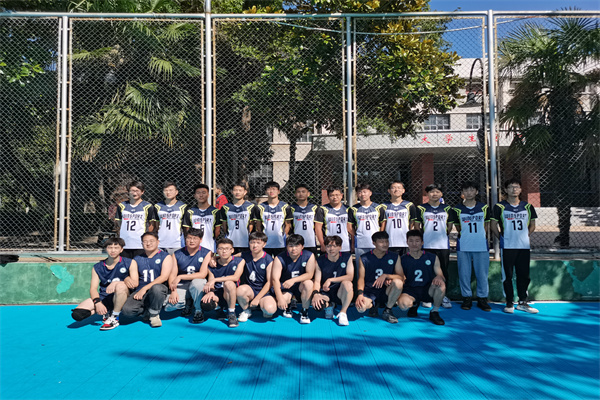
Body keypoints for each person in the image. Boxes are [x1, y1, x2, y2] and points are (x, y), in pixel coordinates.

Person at [491, 178, 539, 314]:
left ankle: (523, 301)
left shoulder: (527, 206)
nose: (514, 189)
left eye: (517, 187)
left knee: (523, 274)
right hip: (507, 246)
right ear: (506, 190)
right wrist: (502, 237)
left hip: (523, 246)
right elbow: (493, 225)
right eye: (511, 187)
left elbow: (532, 225)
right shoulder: (499, 207)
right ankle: (509, 301)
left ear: (521, 189)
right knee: (508, 275)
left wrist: (524, 236)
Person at [70, 238, 131, 331]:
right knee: (77, 314)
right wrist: (98, 303)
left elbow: (135, 283)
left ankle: (114, 317)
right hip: (104, 297)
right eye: (110, 247)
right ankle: (106, 311)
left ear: (121, 249)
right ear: (106, 249)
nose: (113, 250)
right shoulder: (97, 267)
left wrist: (116, 283)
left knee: (121, 286)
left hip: (121, 296)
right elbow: (93, 289)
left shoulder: (129, 262)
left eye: (116, 248)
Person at [451, 181, 492, 311]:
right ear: (462, 193)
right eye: (466, 190)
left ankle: (482, 298)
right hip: (464, 245)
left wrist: (480, 236)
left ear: (476, 192)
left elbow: (486, 226)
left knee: (482, 273)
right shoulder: (457, 209)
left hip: (481, 245)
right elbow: (458, 227)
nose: (469, 193)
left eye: (472, 190)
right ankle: (467, 297)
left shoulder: (484, 207)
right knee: (464, 273)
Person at [121, 232, 173, 327]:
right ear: (142, 244)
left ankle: (154, 314)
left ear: (158, 242)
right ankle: (146, 311)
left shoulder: (165, 256)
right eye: (145, 241)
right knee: (127, 311)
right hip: (140, 290)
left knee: (157, 288)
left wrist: (144, 289)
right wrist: (126, 278)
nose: (148, 243)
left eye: (151, 241)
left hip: (157, 290)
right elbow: (130, 275)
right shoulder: (137, 258)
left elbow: (164, 277)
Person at [415, 183, 453, 309]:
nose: (434, 194)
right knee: (428, 271)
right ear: (427, 194)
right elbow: (417, 226)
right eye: (431, 192)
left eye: (437, 191)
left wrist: (442, 235)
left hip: (443, 245)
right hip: (428, 245)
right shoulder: (421, 208)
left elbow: (449, 227)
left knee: (443, 271)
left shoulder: (447, 208)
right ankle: (428, 296)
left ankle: (443, 295)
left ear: (441, 194)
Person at [397, 230, 447, 325]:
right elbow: (399, 276)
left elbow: (441, 275)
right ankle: (414, 305)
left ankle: (434, 312)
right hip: (410, 290)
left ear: (422, 242)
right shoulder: (402, 259)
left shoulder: (432, 257)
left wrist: (439, 277)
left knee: (441, 284)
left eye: (417, 241)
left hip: (427, 289)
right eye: (411, 241)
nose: (414, 244)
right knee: (403, 306)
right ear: (407, 242)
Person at [355, 231, 404, 324]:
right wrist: (360, 294)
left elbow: (401, 276)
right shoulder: (364, 258)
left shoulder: (394, 256)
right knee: (360, 308)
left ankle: (388, 310)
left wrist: (386, 275)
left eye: (386, 241)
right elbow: (361, 278)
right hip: (370, 291)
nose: (385, 244)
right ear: (374, 243)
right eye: (381, 242)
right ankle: (373, 305)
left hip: (386, 290)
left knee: (398, 282)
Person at [166, 228, 212, 324]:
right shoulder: (177, 254)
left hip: (196, 286)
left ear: (201, 240)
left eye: (195, 238)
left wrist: (180, 277)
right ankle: (188, 302)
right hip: (182, 286)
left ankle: (198, 311)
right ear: (185, 239)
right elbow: (172, 274)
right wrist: (173, 291)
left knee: (198, 282)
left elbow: (202, 274)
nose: (191, 241)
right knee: (170, 306)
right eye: (189, 238)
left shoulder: (206, 253)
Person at [271, 234, 316, 324]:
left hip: (300, 286)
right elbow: (275, 279)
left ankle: (304, 311)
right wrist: (280, 298)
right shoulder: (279, 258)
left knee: (309, 283)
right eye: (291, 246)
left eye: (297, 246)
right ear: (286, 247)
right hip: (285, 287)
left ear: (302, 246)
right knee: (277, 305)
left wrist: (293, 280)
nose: (294, 249)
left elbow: (310, 274)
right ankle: (289, 305)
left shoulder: (309, 255)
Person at [201, 238, 245, 328]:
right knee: (206, 303)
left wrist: (215, 280)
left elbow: (236, 277)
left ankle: (231, 313)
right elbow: (211, 281)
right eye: (221, 249)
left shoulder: (239, 261)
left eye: (227, 249)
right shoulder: (213, 264)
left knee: (229, 283)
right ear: (217, 250)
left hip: (231, 293)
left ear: (232, 250)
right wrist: (210, 292)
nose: (224, 251)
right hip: (218, 293)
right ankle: (218, 309)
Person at [311, 235, 354, 326]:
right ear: (325, 248)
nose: (331, 249)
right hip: (326, 291)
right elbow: (317, 281)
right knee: (318, 306)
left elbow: (350, 276)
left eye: (334, 246)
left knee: (348, 284)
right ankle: (329, 305)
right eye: (328, 246)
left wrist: (330, 280)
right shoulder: (320, 260)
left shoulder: (347, 257)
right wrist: (315, 294)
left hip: (340, 291)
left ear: (340, 247)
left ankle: (343, 313)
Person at [236, 231, 278, 321]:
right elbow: (230, 257)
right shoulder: (245, 255)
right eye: (252, 242)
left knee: (269, 310)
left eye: (258, 243)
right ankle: (246, 310)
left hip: (265, 291)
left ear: (264, 244)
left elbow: (270, 282)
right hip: (250, 289)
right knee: (240, 290)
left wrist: (257, 298)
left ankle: (261, 305)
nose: (255, 245)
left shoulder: (269, 260)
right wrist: (215, 258)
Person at [114, 181, 158, 259]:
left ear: (142, 192)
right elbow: (119, 223)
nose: (134, 193)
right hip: (125, 243)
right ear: (128, 192)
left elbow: (151, 225)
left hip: (140, 244)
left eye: (137, 191)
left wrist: (146, 238)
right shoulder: (122, 206)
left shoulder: (148, 206)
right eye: (132, 191)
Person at [348, 183, 385, 261]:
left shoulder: (378, 208)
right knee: (361, 264)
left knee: (376, 264)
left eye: (365, 192)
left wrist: (379, 236)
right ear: (357, 194)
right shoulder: (353, 209)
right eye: (359, 192)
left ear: (370, 193)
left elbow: (383, 223)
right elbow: (349, 226)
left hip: (375, 242)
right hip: (361, 243)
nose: (362, 194)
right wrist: (356, 236)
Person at [254, 181, 293, 257]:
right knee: (266, 262)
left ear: (278, 191)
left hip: (280, 243)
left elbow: (288, 224)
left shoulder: (285, 206)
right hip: (265, 243)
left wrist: (283, 236)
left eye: (274, 189)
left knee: (280, 262)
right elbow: (258, 226)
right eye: (269, 189)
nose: (271, 191)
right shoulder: (260, 207)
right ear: (265, 192)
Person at [218, 182, 256, 254]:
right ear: (231, 191)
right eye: (235, 190)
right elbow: (224, 224)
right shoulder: (225, 207)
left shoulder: (250, 206)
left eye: (240, 190)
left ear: (245, 192)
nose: (237, 192)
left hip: (245, 242)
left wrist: (248, 234)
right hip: (230, 241)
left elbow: (251, 224)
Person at [383, 181, 417, 256]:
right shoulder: (384, 206)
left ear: (403, 190)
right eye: (393, 188)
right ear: (389, 191)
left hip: (405, 242)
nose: (396, 190)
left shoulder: (409, 205)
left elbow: (412, 222)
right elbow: (382, 224)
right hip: (390, 241)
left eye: (399, 188)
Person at [183, 183, 220, 253]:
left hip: (210, 246)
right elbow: (187, 230)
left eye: (203, 193)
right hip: (194, 247)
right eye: (198, 193)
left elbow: (217, 231)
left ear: (208, 195)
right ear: (194, 195)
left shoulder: (215, 212)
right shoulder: (190, 212)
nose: (201, 195)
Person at [315, 186, 351, 256]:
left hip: (345, 244)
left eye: (337, 195)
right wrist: (322, 244)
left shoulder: (348, 209)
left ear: (341, 196)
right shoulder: (322, 209)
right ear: (328, 196)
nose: (335, 197)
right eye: (332, 195)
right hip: (329, 244)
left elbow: (350, 227)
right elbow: (318, 228)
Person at [155, 181, 187, 254]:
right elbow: (155, 225)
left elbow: (185, 227)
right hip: (161, 243)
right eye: (166, 190)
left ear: (176, 192)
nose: (168, 192)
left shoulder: (183, 206)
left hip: (177, 243)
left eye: (170, 190)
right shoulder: (157, 206)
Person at [290, 184, 319, 255]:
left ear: (308, 194)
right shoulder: (291, 208)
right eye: (298, 192)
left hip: (311, 242)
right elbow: (288, 225)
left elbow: (317, 226)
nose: (301, 194)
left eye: (303, 192)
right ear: (295, 194)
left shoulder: (314, 208)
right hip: (296, 242)